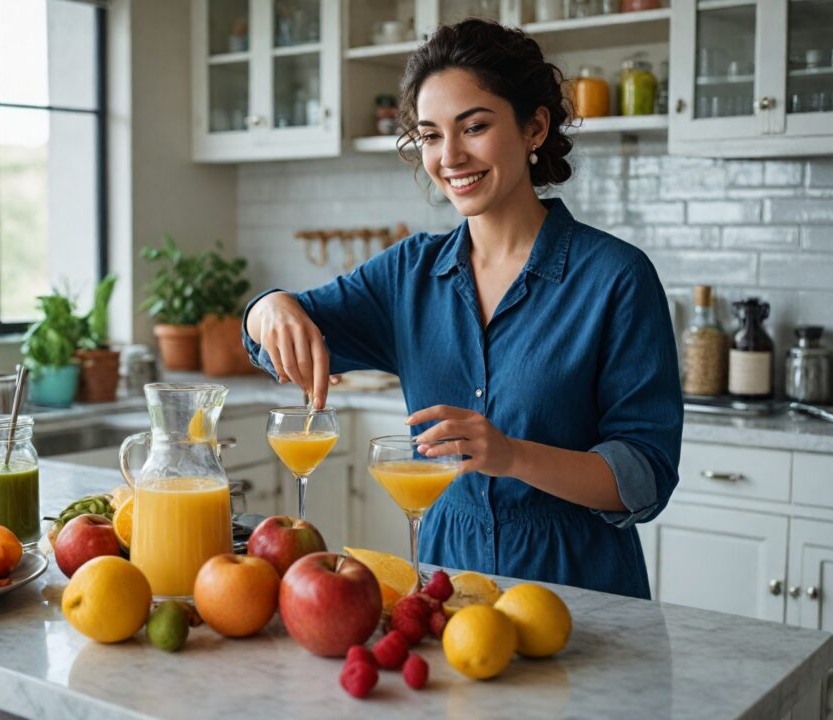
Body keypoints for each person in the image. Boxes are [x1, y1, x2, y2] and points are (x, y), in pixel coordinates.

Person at [243, 19, 682, 599]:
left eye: (473, 126)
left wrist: (512, 455)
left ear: (535, 127)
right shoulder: (408, 275)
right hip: (449, 583)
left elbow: (643, 476)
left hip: (580, 588)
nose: (450, 156)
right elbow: (274, 337)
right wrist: (268, 307)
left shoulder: (616, 277)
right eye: (429, 135)